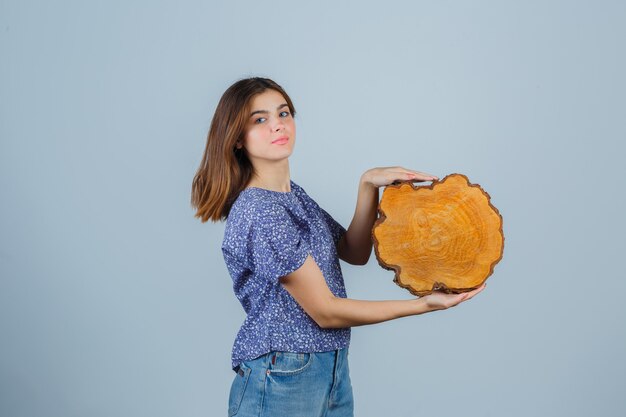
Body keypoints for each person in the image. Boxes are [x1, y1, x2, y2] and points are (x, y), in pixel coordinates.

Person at [191, 77, 485, 417]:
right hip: (283, 374)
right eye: (260, 119)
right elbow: (326, 311)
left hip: (330, 368)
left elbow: (353, 251)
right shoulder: (261, 211)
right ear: (237, 138)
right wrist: (422, 306)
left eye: (283, 113)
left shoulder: (292, 196)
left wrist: (367, 184)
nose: (278, 125)